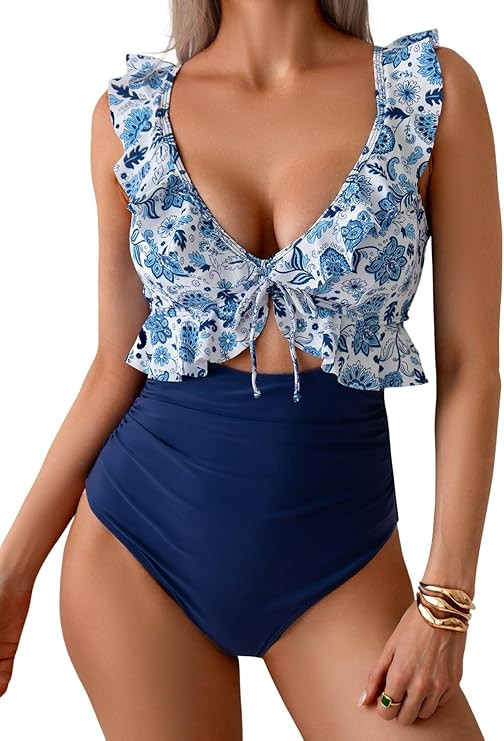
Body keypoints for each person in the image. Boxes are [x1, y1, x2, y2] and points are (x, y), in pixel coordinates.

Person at [0, 2, 499, 738]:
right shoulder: (128, 117)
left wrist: (445, 604)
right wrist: (13, 572)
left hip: (342, 560)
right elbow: (114, 366)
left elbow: (471, 363)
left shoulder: (428, 92)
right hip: (138, 551)